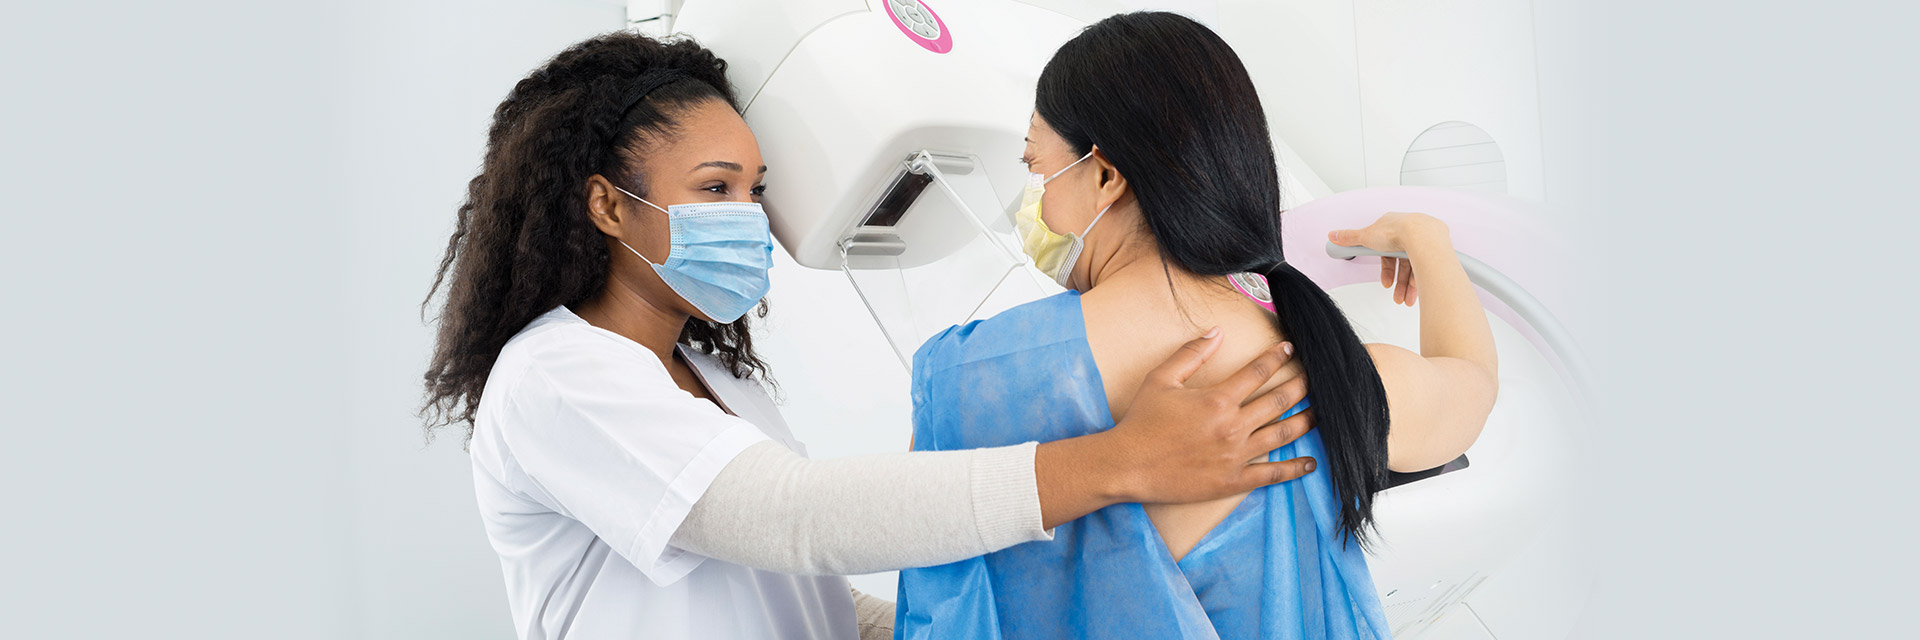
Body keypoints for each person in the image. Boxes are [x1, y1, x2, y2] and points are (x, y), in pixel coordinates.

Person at [419, 32, 1320, 640]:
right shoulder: (556, 376)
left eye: (757, 188)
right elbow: (792, 517)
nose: (752, 216)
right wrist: (1122, 461)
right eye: (717, 188)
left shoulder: (713, 378)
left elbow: (790, 591)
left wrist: (924, 625)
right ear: (608, 204)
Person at [893, 12, 1501, 639]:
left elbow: (917, 555)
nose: (1031, 204)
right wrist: (1428, 241)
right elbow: (1472, 386)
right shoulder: (1321, 368)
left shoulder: (969, 379)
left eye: (1034, 167)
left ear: (1104, 175)